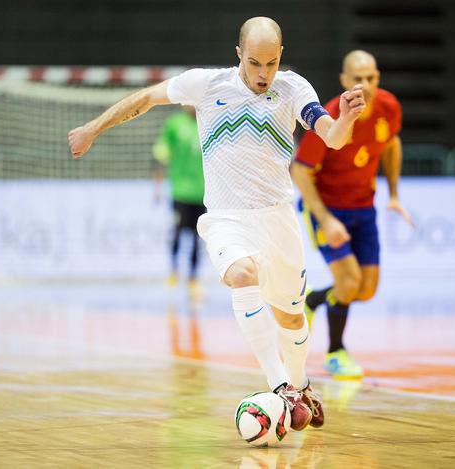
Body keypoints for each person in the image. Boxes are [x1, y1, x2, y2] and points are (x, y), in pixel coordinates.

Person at [68, 17, 366, 431]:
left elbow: (332, 136)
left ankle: (300, 384)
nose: (264, 74)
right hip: (227, 217)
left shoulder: (294, 88)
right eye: (256, 63)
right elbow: (146, 98)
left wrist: (347, 117)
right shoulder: (206, 85)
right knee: (241, 275)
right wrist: (93, 128)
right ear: (239, 53)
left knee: (292, 318)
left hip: (278, 218)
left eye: (272, 63)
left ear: (282, 56)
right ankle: (279, 385)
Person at [291, 50, 415, 379]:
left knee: (366, 289)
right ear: (345, 81)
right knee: (348, 281)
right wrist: (326, 219)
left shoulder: (389, 107)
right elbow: (300, 172)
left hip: (363, 206)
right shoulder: (332, 117)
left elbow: (390, 144)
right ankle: (336, 353)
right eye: (358, 79)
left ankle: (314, 300)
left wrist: (395, 194)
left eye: (372, 78)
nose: (366, 85)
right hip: (326, 209)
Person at [152, 105, 206, 297]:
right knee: (177, 231)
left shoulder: (207, 122)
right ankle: (173, 270)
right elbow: (161, 155)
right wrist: (157, 186)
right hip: (180, 191)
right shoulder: (174, 125)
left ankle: (193, 278)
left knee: (197, 237)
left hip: (203, 192)